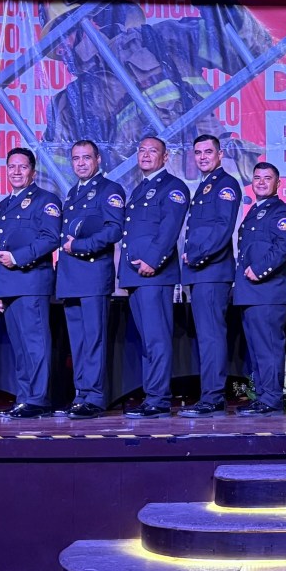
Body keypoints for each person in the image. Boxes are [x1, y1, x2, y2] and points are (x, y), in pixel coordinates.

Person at [40, 0, 272, 181]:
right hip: (143, 209)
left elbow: (251, 51)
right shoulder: (68, 104)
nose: (60, 50)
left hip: (211, 186)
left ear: (95, 20)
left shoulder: (163, 39)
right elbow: (55, 179)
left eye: (63, 35)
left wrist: (217, 6)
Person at [119, 137, 189, 419]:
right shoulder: (140, 188)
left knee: (157, 339)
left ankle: (159, 399)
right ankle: (152, 395)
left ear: (165, 156)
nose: (146, 155)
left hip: (154, 274)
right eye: (142, 150)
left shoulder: (173, 187)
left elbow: (169, 228)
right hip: (136, 276)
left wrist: (153, 260)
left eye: (153, 151)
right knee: (148, 341)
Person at [0, 148, 62, 419]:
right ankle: (24, 398)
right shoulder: (6, 204)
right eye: (11, 166)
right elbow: (0, 248)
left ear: (33, 171)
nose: (16, 172)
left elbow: (50, 238)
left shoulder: (46, 200)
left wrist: (18, 258)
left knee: (35, 345)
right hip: (7, 285)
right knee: (20, 348)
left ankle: (38, 399)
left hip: (32, 282)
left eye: (22, 167)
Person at [56, 140, 125, 419]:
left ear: (98, 159)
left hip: (93, 275)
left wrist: (80, 247)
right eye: (76, 159)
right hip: (71, 277)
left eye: (86, 158)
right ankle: (80, 395)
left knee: (94, 339)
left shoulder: (110, 190)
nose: (81, 163)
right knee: (79, 343)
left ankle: (94, 397)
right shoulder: (73, 192)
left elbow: (114, 230)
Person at [179, 134, 242, 418]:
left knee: (212, 336)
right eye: (198, 152)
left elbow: (222, 229)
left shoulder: (225, 184)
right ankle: (209, 394)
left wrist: (197, 255)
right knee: (206, 337)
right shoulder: (206, 186)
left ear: (220, 155)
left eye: (208, 152)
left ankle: (214, 397)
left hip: (212, 272)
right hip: (200, 272)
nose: (203, 157)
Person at [233, 162, 286, 417]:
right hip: (250, 292)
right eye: (257, 177)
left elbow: (285, 246)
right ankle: (263, 396)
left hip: (268, 292)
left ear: (278, 184)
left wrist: (258, 269)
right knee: (257, 349)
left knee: (269, 347)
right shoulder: (254, 211)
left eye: (267, 178)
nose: (261, 182)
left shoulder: (282, 212)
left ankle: (271, 398)